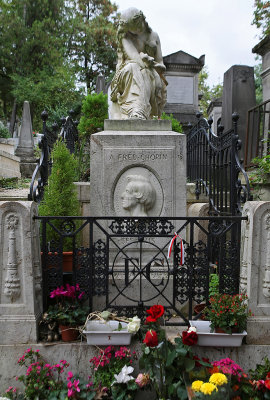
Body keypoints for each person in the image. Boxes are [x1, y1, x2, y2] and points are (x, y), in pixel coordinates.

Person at [110, 7, 167, 120]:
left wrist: (155, 65)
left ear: (143, 20)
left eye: (139, 25)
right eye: (133, 29)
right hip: (127, 74)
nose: (138, 30)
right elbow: (136, 60)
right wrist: (145, 60)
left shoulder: (154, 36)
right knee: (134, 67)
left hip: (150, 72)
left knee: (146, 72)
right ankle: (136, 110)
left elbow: (162, 65)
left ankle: (140, 111)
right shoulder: (125, 38)